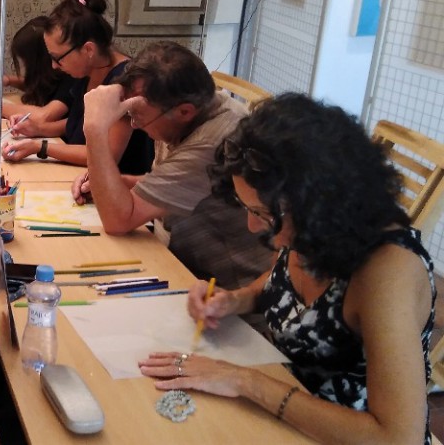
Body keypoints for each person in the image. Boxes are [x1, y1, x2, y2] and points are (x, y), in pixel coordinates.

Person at [139, 93, 435, 444]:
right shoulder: (310, 232)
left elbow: (399, 437)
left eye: (263, 214)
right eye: (248, 209)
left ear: (320, 201)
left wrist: (245, 381)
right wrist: (234, 300)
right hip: (284, 407)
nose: (253, 226)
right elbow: (280, 283)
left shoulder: (386, 271)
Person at [72, 41, 271, 289]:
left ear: (184, 112)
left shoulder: (219, 140)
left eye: (138, 116)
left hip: (222, 288)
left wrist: (94, 128)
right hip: (177, 259)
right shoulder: (186, 106)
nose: (134, 125)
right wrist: (117, 183)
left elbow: (118, 221)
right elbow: (176, 185)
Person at [0, 0, 153, 174]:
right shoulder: (88, 70)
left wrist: (40, 147)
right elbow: (78, 123)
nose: (54, 66)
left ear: (88, 50)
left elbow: (105, 156)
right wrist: (39, 128)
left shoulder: (126, 83)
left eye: (57, 58)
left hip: (116, 182)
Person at [0, 16, 69, 120]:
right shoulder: (53, 76)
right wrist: (8, 80)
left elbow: (44, 115)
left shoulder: (70, 77)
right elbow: (42, 84)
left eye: (27, 62)